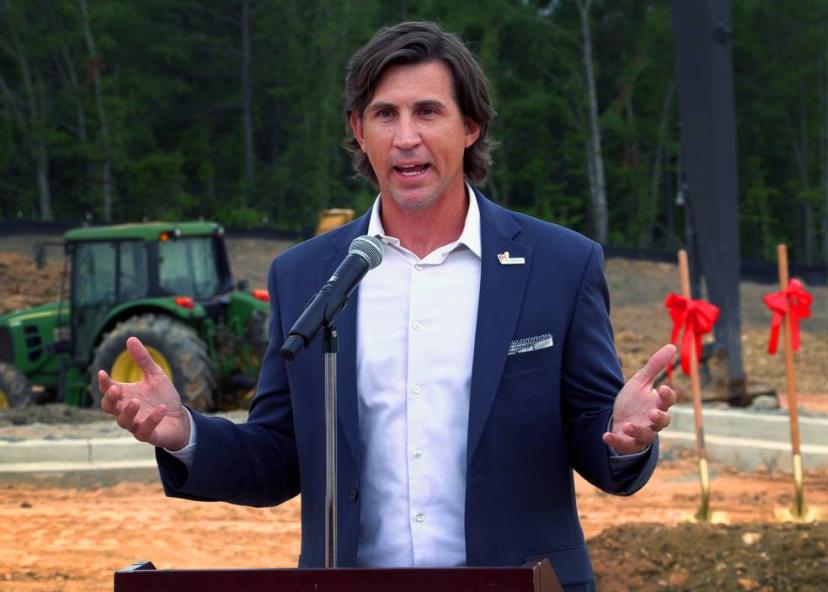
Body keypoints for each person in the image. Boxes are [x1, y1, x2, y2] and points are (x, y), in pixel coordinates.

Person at [99, 21, 676, 591]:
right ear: (359, 129)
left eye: (428, 112)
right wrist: (184, 434)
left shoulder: (561, 263)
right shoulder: (305, 274)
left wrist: (626, 436)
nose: (406, 137)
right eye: (385, 114)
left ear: (470, 126)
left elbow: (595, 438)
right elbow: (279, 455)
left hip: (519, 585)